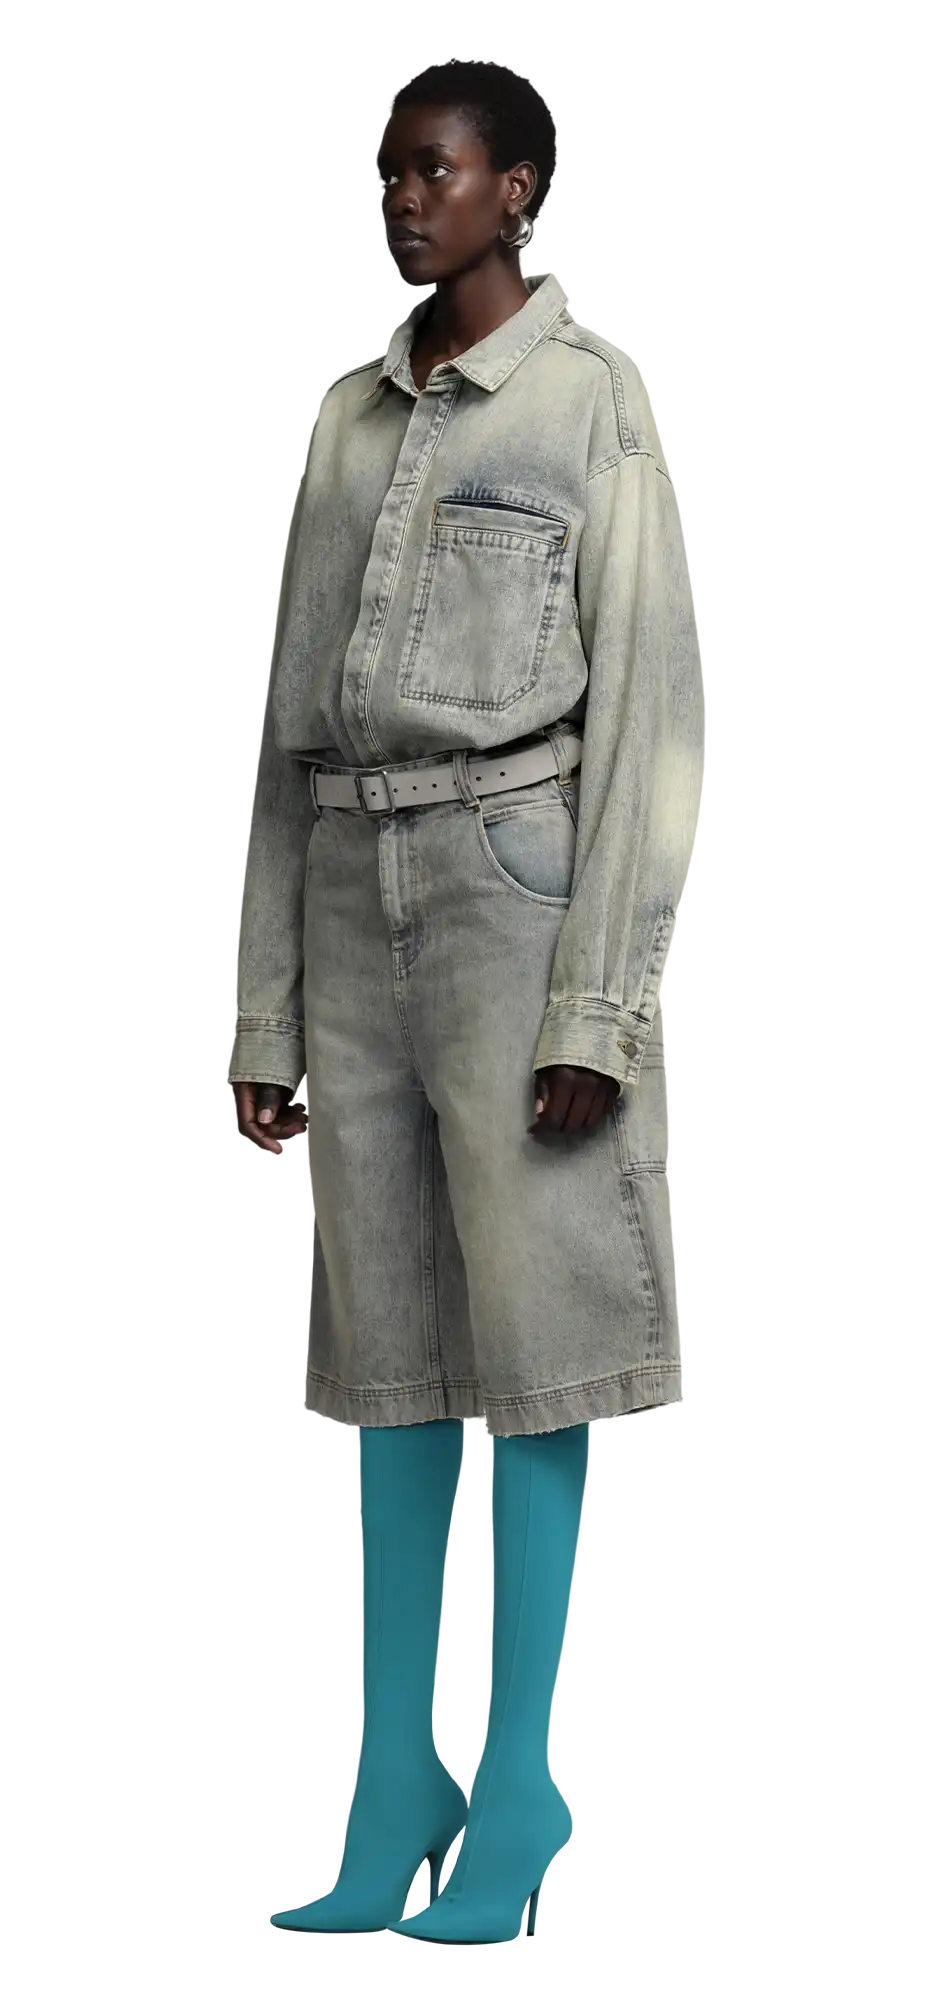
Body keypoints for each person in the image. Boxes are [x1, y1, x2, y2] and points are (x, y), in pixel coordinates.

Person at [229, 58, 704, 1947]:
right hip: (350, 894)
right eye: (385, 172)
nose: (400, 201)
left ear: (515, 189)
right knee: (389, 1366)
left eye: (434, 171)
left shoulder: (588, 401)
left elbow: (644, 713)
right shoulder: (345, 417)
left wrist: (597, 1008)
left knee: (532, 1341)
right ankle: (389, 1796)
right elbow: (282, 726)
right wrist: (266, 1014)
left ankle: (516, 1785)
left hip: (515, 890)